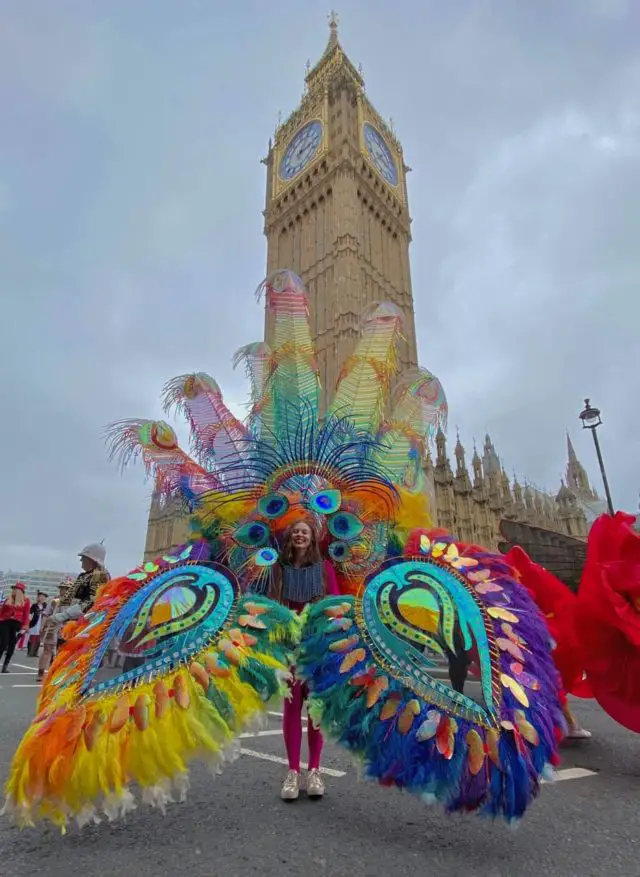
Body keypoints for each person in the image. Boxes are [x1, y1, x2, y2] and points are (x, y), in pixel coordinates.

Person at [270, 518, 339, 802]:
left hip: (316, 645)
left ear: (312, 539)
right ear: (290, 538)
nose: (300, 535)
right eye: (296, 531)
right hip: (289, 647)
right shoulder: (279, 570)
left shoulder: (324, 569)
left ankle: (314, 770)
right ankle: (292, 772)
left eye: (305, 532)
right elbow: (272, 605)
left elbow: (335, 603)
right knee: (291, 706)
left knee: (315, 709)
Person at [55, 542, 110, 631]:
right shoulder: (87, 575)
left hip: (89, 622)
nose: (81, 560)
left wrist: (62, 616)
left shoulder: (99, 576)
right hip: (79, 620)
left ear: (91, 560)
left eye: (83, 558)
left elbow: (89, 602)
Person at [37, 582, 68, 682]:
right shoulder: (54, 600)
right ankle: (41, 672)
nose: (63, 590)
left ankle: (54, 672)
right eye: (62, 588)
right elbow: (46, 614)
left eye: (66, 588)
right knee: (47, 650)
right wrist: (42, 626)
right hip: (52, 627)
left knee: (61, 651)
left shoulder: (73, 601)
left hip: (65, 628)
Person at [0, 582, 30, 673]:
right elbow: (1, 612)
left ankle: (5, 666)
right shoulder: (8, 599)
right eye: (13, 589)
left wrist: (24, 627)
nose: (13, 590)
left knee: (11, 646)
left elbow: (26, 615)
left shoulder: (26, 601)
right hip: (5, 622)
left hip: (16, 624)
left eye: (15, 589)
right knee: (3, 644)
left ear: (20, 591)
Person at [26, 592, 47, 658]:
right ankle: (29, 651)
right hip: (34, 623)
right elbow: (29, 613)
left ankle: (35, 652)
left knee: (38, 638)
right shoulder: (34, 605)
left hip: (42, 623)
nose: (42, 598)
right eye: (40, 596)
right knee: (32, 637)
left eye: (43, 597)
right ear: (38, 597)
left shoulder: (45, 606)